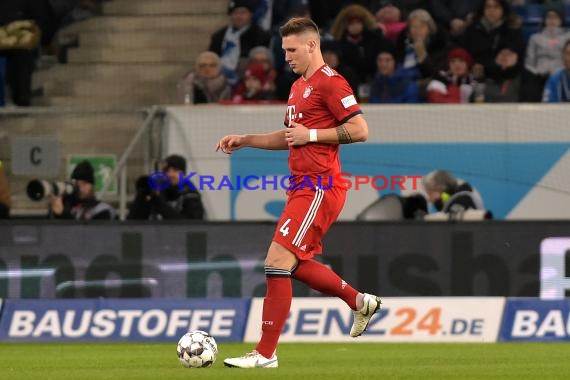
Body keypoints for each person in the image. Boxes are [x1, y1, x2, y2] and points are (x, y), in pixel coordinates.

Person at [216, 17, 381, 369]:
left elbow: (361, 129)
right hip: (302, 188)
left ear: (311, 45)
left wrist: (313, 136)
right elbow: (289, 136)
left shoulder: (331, 84)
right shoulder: (297, 87)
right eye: (284, 50)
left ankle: (264, 354)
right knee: (293, 263)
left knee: (276, 261)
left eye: (292, 50)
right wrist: (246, 140)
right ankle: (359, 301)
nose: (287, 56)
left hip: (320, 187)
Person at [208, 0, 271, 86]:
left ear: (251, 14)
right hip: (219, 76)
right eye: (235, 13)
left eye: (243, 12)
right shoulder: (219, 36)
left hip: (247, 77)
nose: (239, 16)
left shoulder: (261, 36)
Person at [127, 155, 205, 220]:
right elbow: (132, 222)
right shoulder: (160, 191)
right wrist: (142, 196)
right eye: (167, 171)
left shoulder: (190, 195)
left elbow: (190, 225)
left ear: (184, 174)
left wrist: (159, 203)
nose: (171, 175)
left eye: (175, 170)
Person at [521, 3, 569, 102]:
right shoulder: (535, 38)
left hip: (562, 74)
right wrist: (537, 72)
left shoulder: (568, 36)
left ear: (561, 19)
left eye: (555, 17)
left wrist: (557, 71)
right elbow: (529, 61)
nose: (552, 20)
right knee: (529, 84)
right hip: (538, 76)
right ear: (544, 19)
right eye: (549, 17)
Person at [50, 160, 115, 220]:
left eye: (84, 184)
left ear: (92, 186)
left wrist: (63, 214)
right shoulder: (68, 205)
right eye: (77, 184)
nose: (80, 188)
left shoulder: (102, 210)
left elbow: (87, 231)